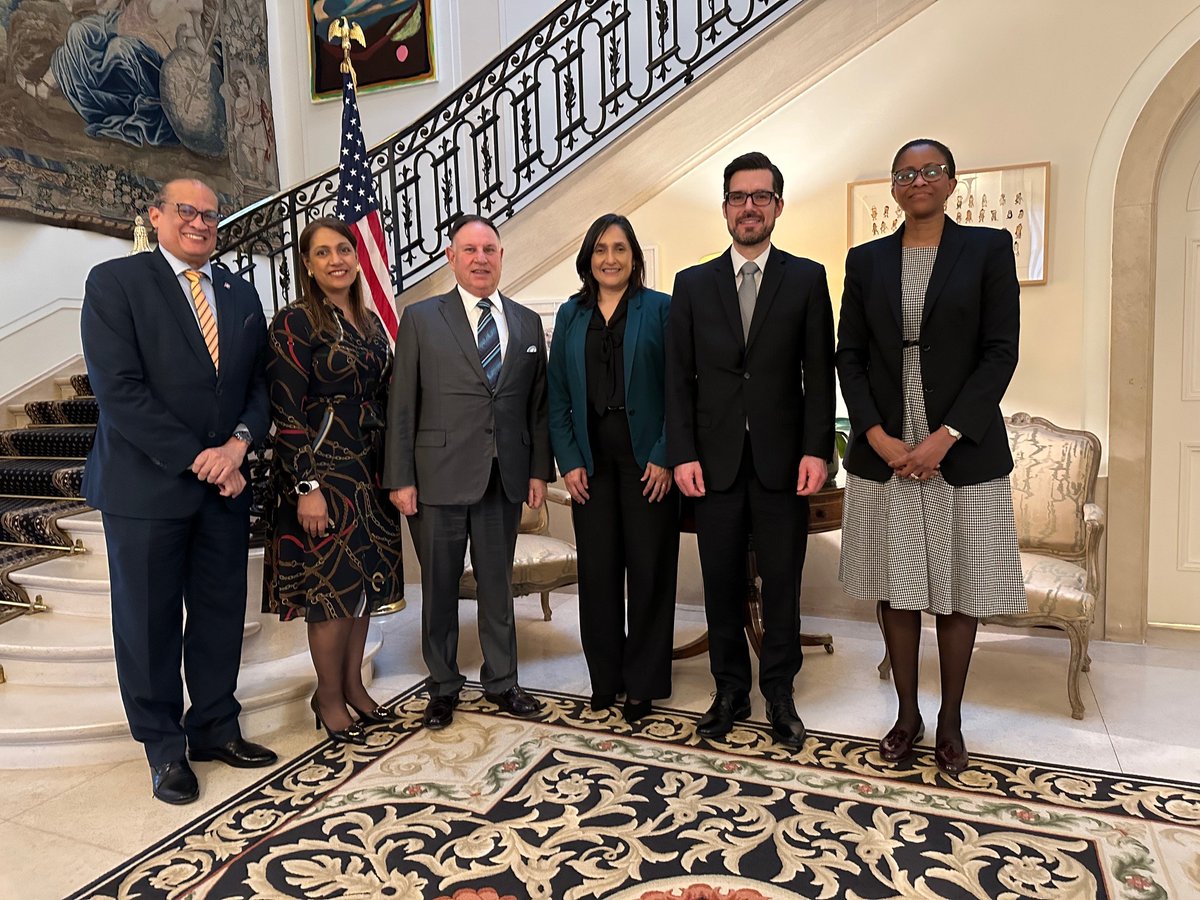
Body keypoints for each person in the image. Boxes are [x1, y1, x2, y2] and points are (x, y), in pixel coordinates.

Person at [80, 178, 276, 805]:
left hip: (225, 487)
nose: (199, 222)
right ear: (156, 216)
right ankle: (163, 748)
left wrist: (238, 446)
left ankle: (215, 726)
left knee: (221, 614)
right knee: (148, 622)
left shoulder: (242, 294)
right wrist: (202, 459)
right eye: (185, 211)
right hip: (146, 489)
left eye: (210, 214)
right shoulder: (115, 284)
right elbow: (121, 392)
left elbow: (257, 387)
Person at [836, 138, 1025, 775]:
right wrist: (877, 436)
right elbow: (850, 357)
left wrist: (946, 435)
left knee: (956, 588)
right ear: (894, 187)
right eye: (906, 173)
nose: (919, 180)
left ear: (950, 182)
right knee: (896, 584)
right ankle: (907, 715)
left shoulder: (988, 249)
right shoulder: (865, 262)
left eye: (930, 171)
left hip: (961, 447)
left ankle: (950, 720)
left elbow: (1001, 351)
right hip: (886, 447)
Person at [666, 152, 835, 749]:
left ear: (778, 207)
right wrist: (682, 453)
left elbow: (820, 373)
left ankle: (780, 692)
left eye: (761, 196)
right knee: (721, 582)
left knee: (784, 580)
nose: (749, 207)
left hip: (782, 463)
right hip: (711, 466)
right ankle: (730, 689)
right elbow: (677, 379)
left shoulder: (808, 279)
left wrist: (818, 449)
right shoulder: (691, 285)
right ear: (725, 208)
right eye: (739, 197)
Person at [384, 214, 554, 730]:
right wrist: (400, 477)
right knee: (438, 587)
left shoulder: (526, 322)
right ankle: (442, 686)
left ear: (502, 256)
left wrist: (538, 472)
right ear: (450, 257)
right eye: (470, 250)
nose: (481, 259)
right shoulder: (420, 318)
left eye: (490, 249)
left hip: (504, 477)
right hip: (435, 478)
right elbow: (402, 404)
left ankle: (503, 681)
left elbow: (537, 407)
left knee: (496, 586)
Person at [263, 217, 405, 745]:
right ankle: (327, 697)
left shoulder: (369, 322)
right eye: (322, 254)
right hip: (322, 474)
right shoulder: (295, 322)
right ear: (307, 264)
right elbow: (286, 411)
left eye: (343, 250)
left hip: (368, 473)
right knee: (328, 592)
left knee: (361, 590)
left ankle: (353, 687)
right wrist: (307, 488)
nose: (336, 260)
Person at [547, 214, 678, 723]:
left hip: (648, 460)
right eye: (601, 248)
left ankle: (643, 683)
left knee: (649, 571)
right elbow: (557, 394)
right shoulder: (570, 314)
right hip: (591, 461)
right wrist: (570, 461)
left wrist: (666, 454)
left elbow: (677, 390)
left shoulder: (661, 309)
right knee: (598, 574)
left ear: (634, 257)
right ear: (588, 257)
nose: (610, 258)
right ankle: (606, 677)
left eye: (620, 249)